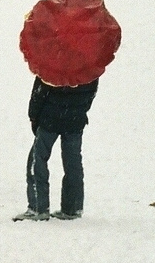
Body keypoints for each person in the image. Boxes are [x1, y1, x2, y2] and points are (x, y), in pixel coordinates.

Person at [16, 73, 98, 221]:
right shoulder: (89, 66)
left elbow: (38, 94)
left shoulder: (52, 64)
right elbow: (91, 94)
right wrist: (78, 110)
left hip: (50, 120)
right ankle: (72, 208)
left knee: (37, 160)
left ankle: (38, 207)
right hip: (75, 121)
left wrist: (34, 117)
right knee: (73, 163)